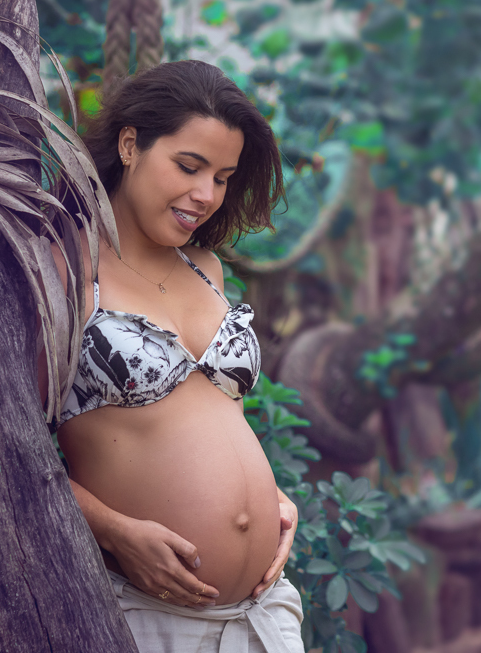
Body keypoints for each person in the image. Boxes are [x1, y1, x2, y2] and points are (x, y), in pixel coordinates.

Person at [43, 60, 303, 652]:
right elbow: (10, 447)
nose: (205, 194)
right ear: (131, 144)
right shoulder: (62, 270)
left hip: (265, 613)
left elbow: (214, 416)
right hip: (149, 615)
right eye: (189, 167)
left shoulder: (204, 268)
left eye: (223, 177)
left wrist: (272, 501)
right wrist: (116, 531)